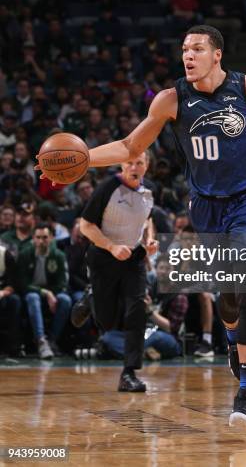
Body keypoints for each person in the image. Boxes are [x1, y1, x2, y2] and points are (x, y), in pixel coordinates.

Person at [37, 25, 246, 430]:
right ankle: (234, 341)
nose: (188, 55)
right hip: (206, 208)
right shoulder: (171, 99)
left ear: (217, 54)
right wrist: (80, 161)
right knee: (229, 301)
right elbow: (131, 147)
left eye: (197, 48)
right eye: (184, 49)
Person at [77, 153, 158, 393]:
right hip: (104, 256)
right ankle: (91, 299)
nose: (134, 167)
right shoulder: (107, 188)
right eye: (130, 163)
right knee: (107, 320)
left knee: (137, 308)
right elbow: (85, 225)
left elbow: (148, 217)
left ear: (147, 165)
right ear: (122, 165)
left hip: (133, 258)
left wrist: (150, 240)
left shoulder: (150, 190)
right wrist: (111, 247)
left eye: (139, 163)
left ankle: (129, 373)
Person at [17, 223, 72, 359]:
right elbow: (23, 284)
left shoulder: (58, 255)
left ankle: (51, 340)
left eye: (45, 237)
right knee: (33, 297)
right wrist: (45, 293)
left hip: (53, 293)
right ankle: (41, 341)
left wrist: (50, 293)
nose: (41, 241)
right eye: (38, 237)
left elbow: (63, 283)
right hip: (33, 293)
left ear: (52, 238)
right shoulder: (25, 254)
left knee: (66, 300)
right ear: (33, 238)